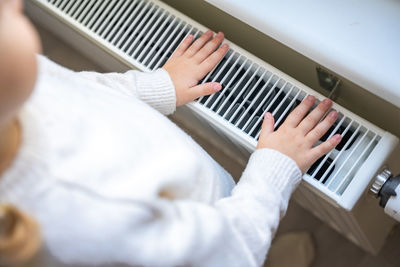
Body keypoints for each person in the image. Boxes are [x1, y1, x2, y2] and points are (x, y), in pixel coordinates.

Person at [0, 0, 342, 266]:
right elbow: (226, 254)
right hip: (219, 240)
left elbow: (81, 89)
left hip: (201, 218)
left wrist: (158, 87)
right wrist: (274, 169)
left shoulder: (19, 87)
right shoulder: (91, 211)